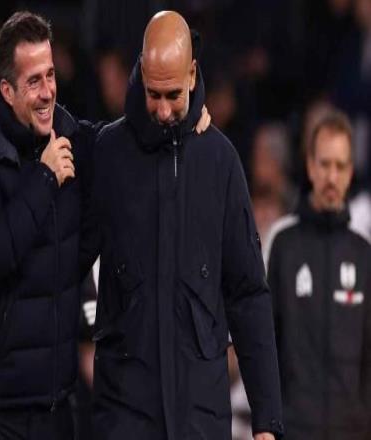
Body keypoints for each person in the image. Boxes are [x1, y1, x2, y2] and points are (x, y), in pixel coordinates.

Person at [0, 8, 211, 440]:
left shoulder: (70, 134)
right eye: (33, 81)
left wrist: (193, 105)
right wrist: (44, 179)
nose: (47, 93)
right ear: (7, 90)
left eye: (50, 75)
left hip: (55, 404)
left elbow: (131, 133)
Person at [81, 10, 283, 440]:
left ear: (192, 74)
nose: (162, 109)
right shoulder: (108, 153)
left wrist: (267, 420)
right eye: (153, 94)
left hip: (200, 415)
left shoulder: (220, 161)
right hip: (124, 414)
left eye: (173, 94)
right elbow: (69, 264)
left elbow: (248, 293)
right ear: (140, 72)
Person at [264, 110, 371, 439]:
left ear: (350, 172)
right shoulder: (283, 243)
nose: (331, 177)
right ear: (310, 166)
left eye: (340, 166)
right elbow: (266, 339)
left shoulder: (363, 252)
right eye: (324, 164)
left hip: (352, 430)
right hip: (294, 427)